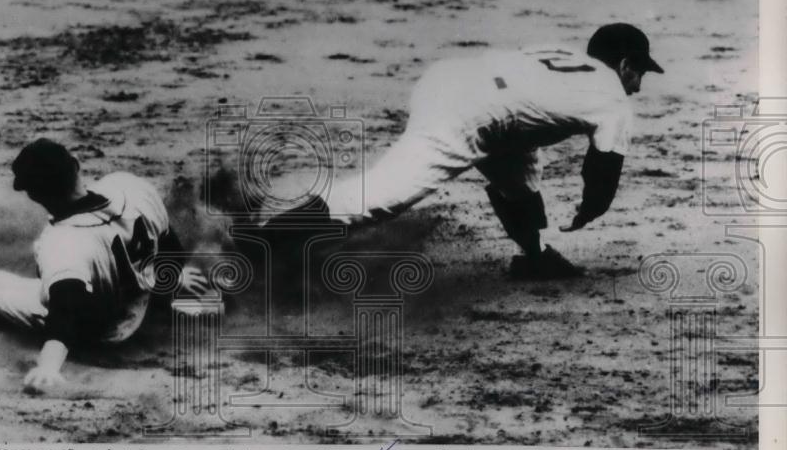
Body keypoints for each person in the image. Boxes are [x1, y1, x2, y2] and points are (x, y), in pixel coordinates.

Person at [264, 23, 663, 279]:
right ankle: (251, 246)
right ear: (624, 64)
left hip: (457, 82)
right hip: (469, 113)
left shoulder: (566, 56)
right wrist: (589, 211)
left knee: (521, 171)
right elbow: (604, 169)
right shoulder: (613, 98)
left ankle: (535, 255)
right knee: (381, 198)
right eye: (639, 72)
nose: (639, 84)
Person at [0, 139, 207, 392]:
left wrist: (49, 367)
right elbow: (170, 244)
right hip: (142, 295)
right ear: (76, 165)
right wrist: (172, 277)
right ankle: (159, 298)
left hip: (106, 329)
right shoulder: (131, 187)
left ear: (34, 195)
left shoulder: (63, 242)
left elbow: (66, 310)